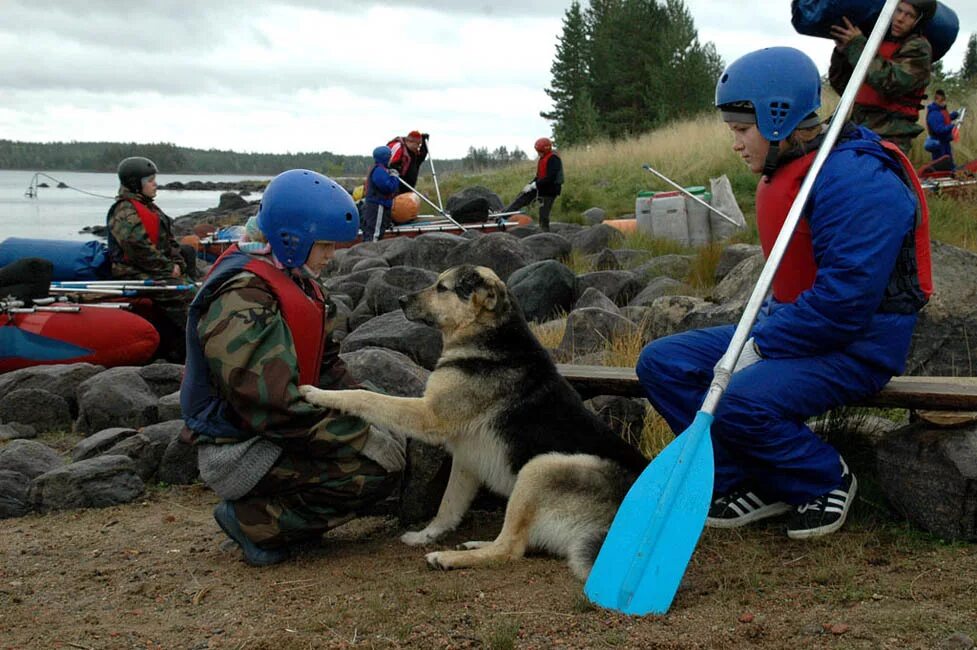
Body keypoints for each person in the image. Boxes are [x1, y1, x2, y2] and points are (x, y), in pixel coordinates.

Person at [636, 47, 931, 540]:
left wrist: (759, 348)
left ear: (778, 118)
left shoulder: (858, 181)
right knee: (663, 363)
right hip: (797, 328)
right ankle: (745, 480)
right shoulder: (791, 168)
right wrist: (764, 339)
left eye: (740, 129)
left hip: (858, 344)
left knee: (736, 396)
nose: (735, 143)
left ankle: (822, 478)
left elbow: (844, 304)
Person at [180, 169, 405, 566]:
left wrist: (372, 411)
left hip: (278, 428)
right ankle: (255, 522)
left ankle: (279, 507)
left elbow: (327, 364)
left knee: (387, 429)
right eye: (324, 245)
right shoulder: (241, 295)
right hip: (241, 447)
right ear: (293, 239)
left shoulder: (295, 277)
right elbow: (271, 402)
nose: (331, 255)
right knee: (374, 472)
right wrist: (359, 437)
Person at [106, 156, 194, 362]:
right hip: (133, 271)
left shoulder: (151, 208)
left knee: (192, 286)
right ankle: (189, 350)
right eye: (150, 180)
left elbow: (170, 242)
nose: (155, 184)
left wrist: (178, 263)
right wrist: (167, 268)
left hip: (157, 269)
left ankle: (181, 347)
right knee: (186, 299)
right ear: (136, 183)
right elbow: (138, 249)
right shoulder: (124, 211)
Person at [828, 0, 936, 154]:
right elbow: (843, 86)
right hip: (855, 129)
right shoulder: (874, 42)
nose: (900, 18)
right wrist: (842, 53)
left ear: (919, 21)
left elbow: (892, 82)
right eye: (898, 10)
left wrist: (857, 46)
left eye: (909, 15)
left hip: (889, 137)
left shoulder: (919, 48)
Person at [501, 137, 563, 232]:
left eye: (540, 151)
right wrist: (530, 184)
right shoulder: (542, 159)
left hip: (550, 191)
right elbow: (539, 176)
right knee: (521, 199)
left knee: (543, 214)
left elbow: (551, 177)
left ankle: (544, 232)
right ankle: (503, 216)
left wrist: (535, 185)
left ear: (545, 150)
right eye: (538, 151)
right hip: (540, 187)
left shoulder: (554, 159)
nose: (538, 153)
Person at [360, 146, 401, 242]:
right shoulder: (379, 171)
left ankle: (369, 252)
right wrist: (394, 177)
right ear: (386, 158)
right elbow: (388, 188)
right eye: (390, 157)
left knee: (374, 232)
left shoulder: (379, 170)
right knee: (375, 233)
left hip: (376, 205)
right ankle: (372, 254)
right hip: (377, 206)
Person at [924, 89, 960, 169]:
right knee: (941, 164)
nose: (944, 102)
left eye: (944, 100)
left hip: (944, 142)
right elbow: (938, 129)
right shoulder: (934, 113)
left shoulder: (939, 110)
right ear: (936, 100)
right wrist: (952, 126)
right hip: (939, 143)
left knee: (948, 162)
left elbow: (943, 119)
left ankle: (951, 172)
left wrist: (953, 116)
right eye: (942, 100)